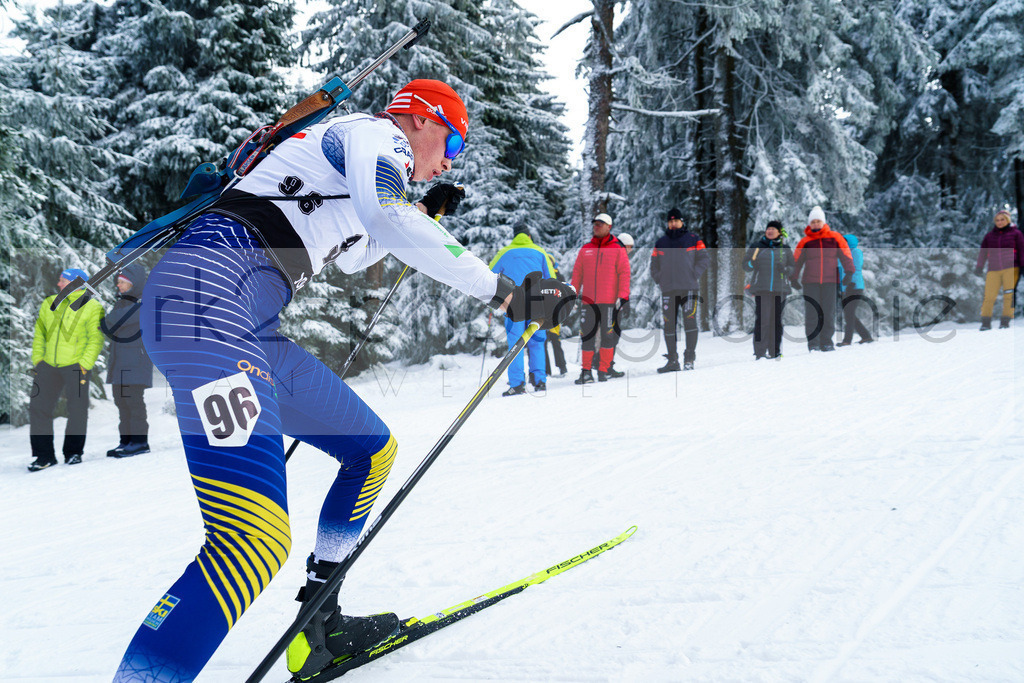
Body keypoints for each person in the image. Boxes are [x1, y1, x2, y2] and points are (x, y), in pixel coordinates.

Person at [117, 79, 574, 683]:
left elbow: (362, 245)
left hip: (245, 323)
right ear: (426, 120)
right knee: (250, 541)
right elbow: (385, 217)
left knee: (371, 450)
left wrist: (422, 212)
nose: (445, 162)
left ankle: (317, 629)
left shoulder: (363, 166)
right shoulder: (373, 132)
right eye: (453, 146)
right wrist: (507, 292)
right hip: (207, 306)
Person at [27, 268, 105, 472]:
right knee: (38, 408)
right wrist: (38, 360)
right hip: (48, 366)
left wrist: (84, 364)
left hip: (75, 365)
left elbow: (95, 339)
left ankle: (73, 453)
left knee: (77, 410)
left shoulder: (91, 306)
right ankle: (44, 456)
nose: (59, 284)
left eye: (63, 280)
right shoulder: (49, 302)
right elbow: (39, 334)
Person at [489, 224, 556, 394]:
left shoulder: (504, 252)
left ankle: (517, 384)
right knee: (537, 342)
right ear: (529, 236)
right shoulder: (540, 252)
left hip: (514, 304)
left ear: (515, 236)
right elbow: (552, 279)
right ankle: (540, 381)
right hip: (538, 304)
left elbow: (489, 274)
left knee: (515, 344)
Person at [101, 263, 154, 457]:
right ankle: (126, 441)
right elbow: (108, 327)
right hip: (120, 361)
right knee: (121, 401)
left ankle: (140, 442)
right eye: (118, 282)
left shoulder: (144, 303)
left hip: (136, 362)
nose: (119, 286)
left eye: (123, 282)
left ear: (134, 284)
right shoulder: (122, 303)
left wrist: (111, 319)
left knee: (133, 402)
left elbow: (113, 321)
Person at [571, 212, 630, 383]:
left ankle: (604, 370)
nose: (596, 226)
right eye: (595, 224)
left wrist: (623, 296)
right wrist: (572, 296)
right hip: (588, 302)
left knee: (607, 335)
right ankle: (586, 372)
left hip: (610, 301)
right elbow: (577, 274)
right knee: (587, 336)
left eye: (600, 224)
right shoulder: (585, 249)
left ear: (609, 227)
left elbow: (625, 273)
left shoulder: (617, 248)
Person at [652, 208, 709, 372]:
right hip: (668, 290)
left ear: (682, 222)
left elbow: (704, 258)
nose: (673, 223)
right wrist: (659, 278)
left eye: (676, 220)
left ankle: (689, 357)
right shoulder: (661, 242)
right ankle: (672, 361)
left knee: (690, 322)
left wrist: (694, 274)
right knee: (669, 325)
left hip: (689, 288)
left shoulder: (693, 239)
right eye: (670, 221)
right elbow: (654, 264)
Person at [791, 205, 854, 352]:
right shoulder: (805, 242)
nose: (815, 224)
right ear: (809, 224)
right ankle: (813, 343)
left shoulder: (835, 238)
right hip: (810, 282)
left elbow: (846, 256)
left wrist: (849, 272)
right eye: (813, 222)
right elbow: (797, 261)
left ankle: (826, 342)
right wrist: (793, 277)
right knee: (812, 313)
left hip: (830, 281)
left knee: (828, 312)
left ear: (823, 222)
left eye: (818, 221)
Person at [743, 220, 794, 359]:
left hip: (780, 289)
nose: (770, 231)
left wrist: (786, 269)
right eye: (768, 229)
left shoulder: (785, 248)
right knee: (762, 320)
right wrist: (751, 263)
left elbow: (792, 268)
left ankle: (775, 351)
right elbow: (745, 266)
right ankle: (760, 352)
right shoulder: (757, 247)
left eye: (773, 229)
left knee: (777, 321)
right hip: (762, 288)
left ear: (779, 232)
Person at [975, 209, 1023, 330]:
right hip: (993, 269)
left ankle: (1005, 322)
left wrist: (1023, 266)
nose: (1000, 222)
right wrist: (979, 266)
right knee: (989, 296)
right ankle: (985, 323)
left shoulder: (1016, 234)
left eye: (1002, 219)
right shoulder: (989, 236)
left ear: (1007, 220)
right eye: (997, 220)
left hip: (1011, 268)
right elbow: (983, 253)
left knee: (1009, 295)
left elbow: (1022, 251)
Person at [837, 233, 873, 346]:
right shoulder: (842, 254)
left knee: (849, 313)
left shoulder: (856, 252)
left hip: (854, 286)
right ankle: (866, 336)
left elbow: (856, 269)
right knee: (849, 313)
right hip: (845, 287)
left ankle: (847, 340)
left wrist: (851, 283)